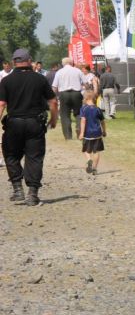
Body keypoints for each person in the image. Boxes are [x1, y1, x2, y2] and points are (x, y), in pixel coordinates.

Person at [0, 49, 58, 206]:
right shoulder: (39, 79)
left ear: (13, 62)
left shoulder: (6, 81)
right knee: (34, 157)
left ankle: (18, 190)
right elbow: (53, 101)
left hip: (13, 123)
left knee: (11, 155)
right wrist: (54, 119)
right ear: (30, 61)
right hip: (35, 123)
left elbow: (2, 104)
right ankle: (32, 194)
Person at [51, 57, 85, 140]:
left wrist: (52, 97)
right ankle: (79, 129)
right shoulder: (78, 71)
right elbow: (86, 83)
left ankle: (68, 136)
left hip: (64, 94)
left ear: (63, 64)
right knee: (78, 113)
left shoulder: (59, 72)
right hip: (76, 93)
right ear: (72, 63)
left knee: (65, 115)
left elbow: (54, 87)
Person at [79, 90, 106, 175]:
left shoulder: (83, 108)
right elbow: (102, 121)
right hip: (97, 133)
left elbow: (83, 121)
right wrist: (104, 131)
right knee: (96, 151)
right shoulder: (98, 109)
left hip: (87, 134)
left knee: (86, 150)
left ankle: (89, 160)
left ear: (85, 98)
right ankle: (94, 169)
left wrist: (82, 133)